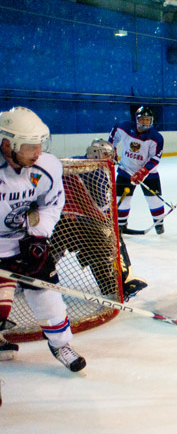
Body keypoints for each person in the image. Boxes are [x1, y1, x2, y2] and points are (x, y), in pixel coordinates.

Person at [0, 107, 86, 371]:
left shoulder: (46, 167)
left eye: (40, 145)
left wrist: (39, 237)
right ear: (7, 144)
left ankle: (60, 344)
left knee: (47, 296)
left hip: (23, 241)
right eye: (29, 147)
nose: (38, 153)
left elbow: (51, 204)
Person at [67, 138, 147, 300]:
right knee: (112, 241)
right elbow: (102, 206)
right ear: (96, 154)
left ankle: (30, 278)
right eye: (106, 154)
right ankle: (122, 281)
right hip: (85, 223)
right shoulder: (99, 171)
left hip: (62, 220)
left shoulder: (74, 161)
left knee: (53, 250)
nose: (110, 158)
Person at [108, 106, 166, 234]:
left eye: (148, 119)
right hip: (126, 171)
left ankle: (159, 225)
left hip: (149, 174)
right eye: (142, 119)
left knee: (154, 200)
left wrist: (142, 172)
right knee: (122, 200)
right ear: (136, 119)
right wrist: (111, 151)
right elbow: (113, 136)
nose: (145, 122)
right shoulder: (124, 127)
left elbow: (155, 158)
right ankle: (122, 224)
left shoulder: (156, 137)